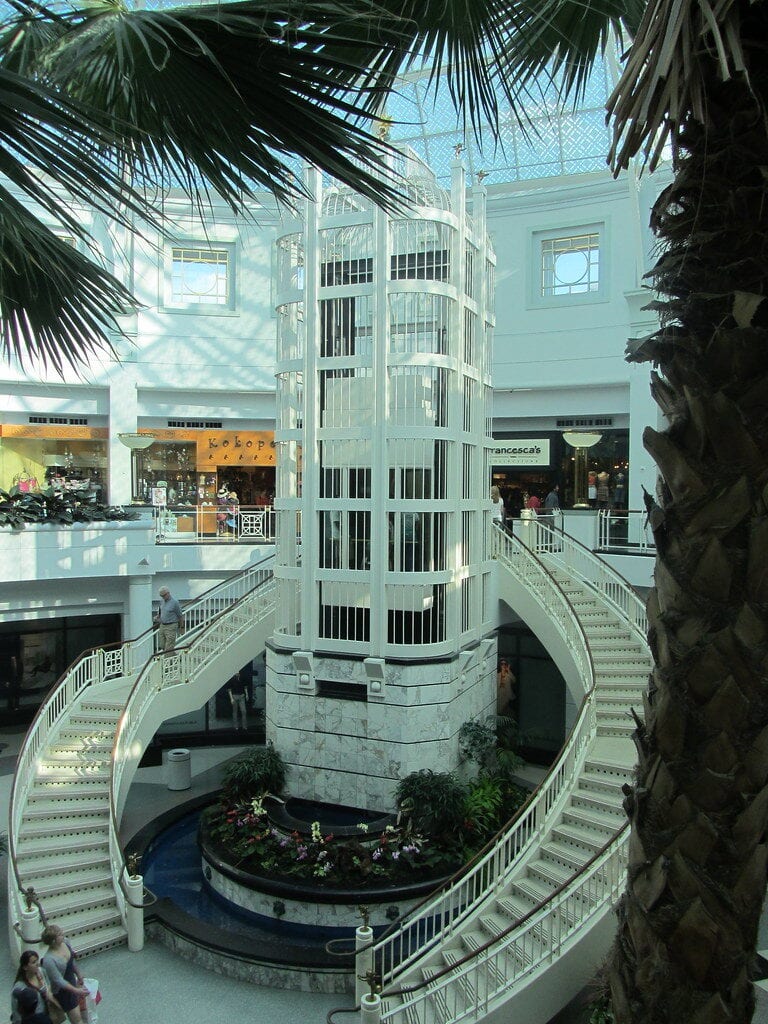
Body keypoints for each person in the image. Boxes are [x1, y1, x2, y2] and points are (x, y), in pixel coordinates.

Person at [40, 925, 89, 1024]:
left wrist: (79, 974)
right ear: (53, 941)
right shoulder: (49, 959)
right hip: (63, 991)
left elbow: (71, 961)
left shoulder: (65, 942)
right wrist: (76, 991)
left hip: (72, 982)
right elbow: (58, 981)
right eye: (59, 934)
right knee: (76, 1018)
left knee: (83, 1011)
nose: (62, 933)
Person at [11, 950, 59, 1024]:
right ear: (25, 967)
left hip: (45, 1015)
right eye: (33, 962)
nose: (37, 964)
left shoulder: (41, 972)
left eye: (37, 961)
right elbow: (16, 1011)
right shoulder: (20, 987)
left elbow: (49, 987)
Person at [154, 587, 184, 652]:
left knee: (169, 646)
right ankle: (174, 657)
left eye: (164, 595)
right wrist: (158, 616)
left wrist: (181, 627)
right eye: (161, 596)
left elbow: (180, 616)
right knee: (162, 645)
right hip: (162, 625)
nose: (163, 597)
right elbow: (161, 610)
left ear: (168, 593)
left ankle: (167, 661)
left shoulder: (175, 602)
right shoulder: (161, 601)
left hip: (171, 625)